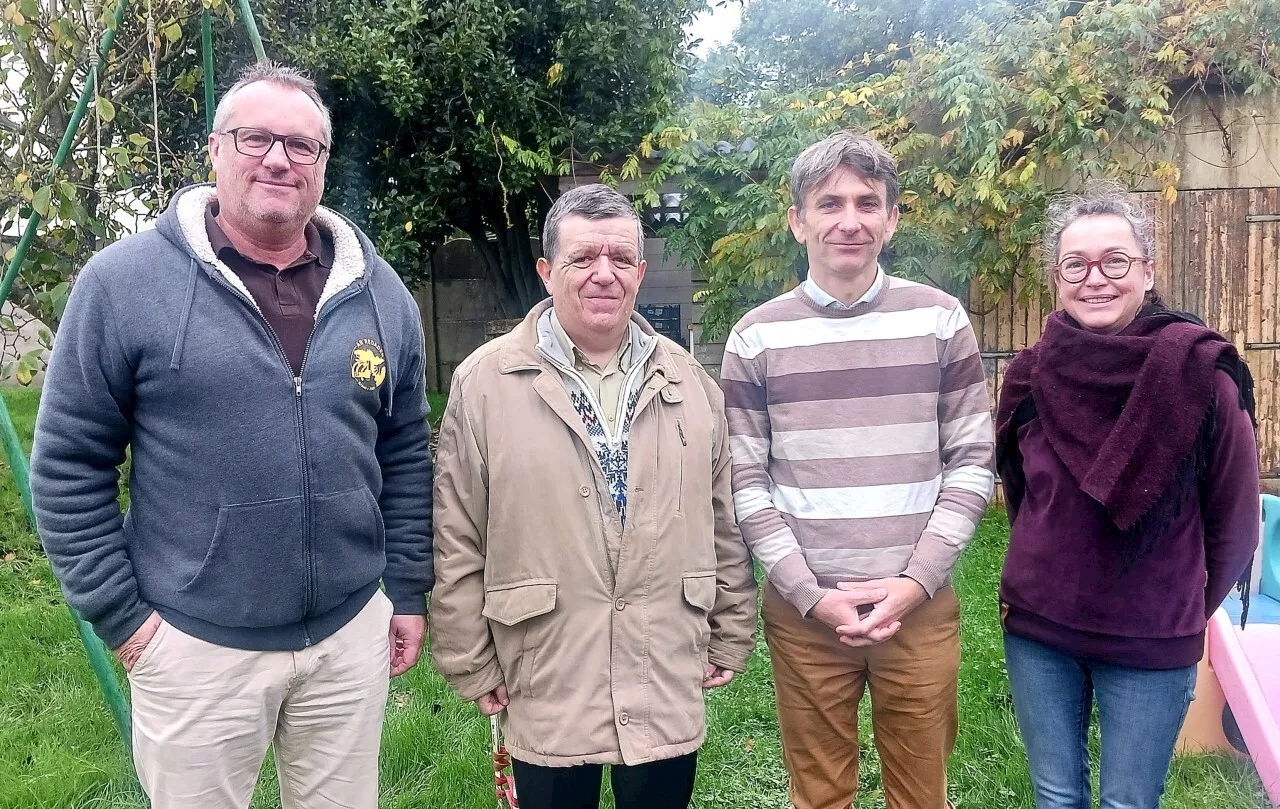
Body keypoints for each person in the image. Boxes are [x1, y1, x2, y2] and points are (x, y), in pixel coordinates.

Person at [30, 62, 433, 809]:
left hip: (348, 637)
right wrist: (126, 621)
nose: (278, 158)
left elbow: (405, 448)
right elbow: (66, 463)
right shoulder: (124, 283)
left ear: (322, 165)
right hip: (194, 647)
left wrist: (404, 588)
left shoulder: (379, 291)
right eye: (256, 138)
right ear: (214, 149)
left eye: (302, 145)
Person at [430, 183, 757, 809]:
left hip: (664, 663)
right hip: (545, 667)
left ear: (640, 269)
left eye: (620, 258)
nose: (603, 274)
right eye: (583, 259)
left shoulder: (692, 385)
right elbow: (458, 534)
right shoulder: (484, 384)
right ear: (547, 271)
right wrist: (469, 658)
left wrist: (733, 628)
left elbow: (726, 524)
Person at [721, 130, 996, 809]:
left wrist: (914, 582)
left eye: (868, 203)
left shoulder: (940, 321)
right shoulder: (756, 336)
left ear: (892, 218)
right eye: (829, 203)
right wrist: (810, 593)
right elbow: (746, 481)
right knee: (818, 795)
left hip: (919, 610)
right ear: (798, 220)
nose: (850, 220)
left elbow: (971, 464)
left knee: (920, 794)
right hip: (805, 613)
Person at [995, 182, 1259, 809]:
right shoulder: (1030, 374)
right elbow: (1021, 493)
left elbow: (1237, 524)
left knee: (1128, 805)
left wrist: (1176, 608)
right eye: (1075, 264)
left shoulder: (1202, 376)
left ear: (1147, 269)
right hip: (1038, 631)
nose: (1096, 279)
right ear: (1055, 278)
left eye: (1115, 261)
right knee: (1056, 798)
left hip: (1150, 638)